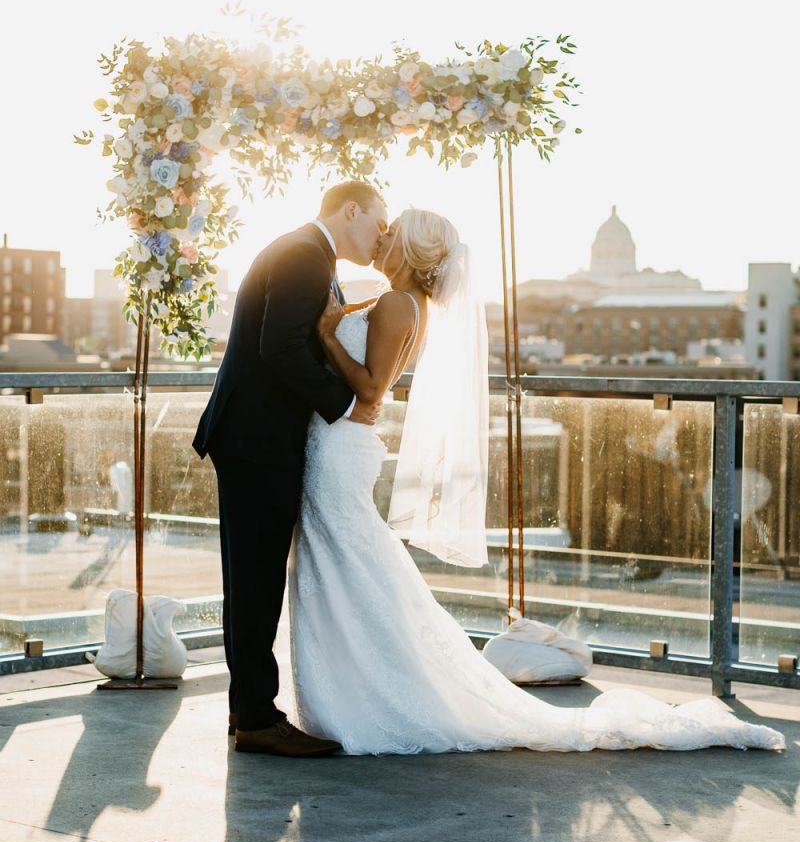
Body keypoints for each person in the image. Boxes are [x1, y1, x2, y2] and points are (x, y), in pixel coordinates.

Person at [286, 208, 785, 756]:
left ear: (409, 248)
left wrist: (330, 336)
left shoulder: (395, 305)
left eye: (392, 232)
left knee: (349, 563)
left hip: (340, 445)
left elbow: (372, 392)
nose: (382, 238)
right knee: (350, 564)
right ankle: (368, 687)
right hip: (341, 446)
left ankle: (371, 693)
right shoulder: (409, 303)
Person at [193, 180, 388, 756]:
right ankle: (256, 717)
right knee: (255, 583)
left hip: (253, 438)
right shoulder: (305, 255)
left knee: (250, 580)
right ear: (350, 210)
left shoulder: (307, 251)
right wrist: (347, 403)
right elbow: (279, 348)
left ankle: (248, 710)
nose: (382, 234)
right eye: (379, 220)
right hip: (257, 441)